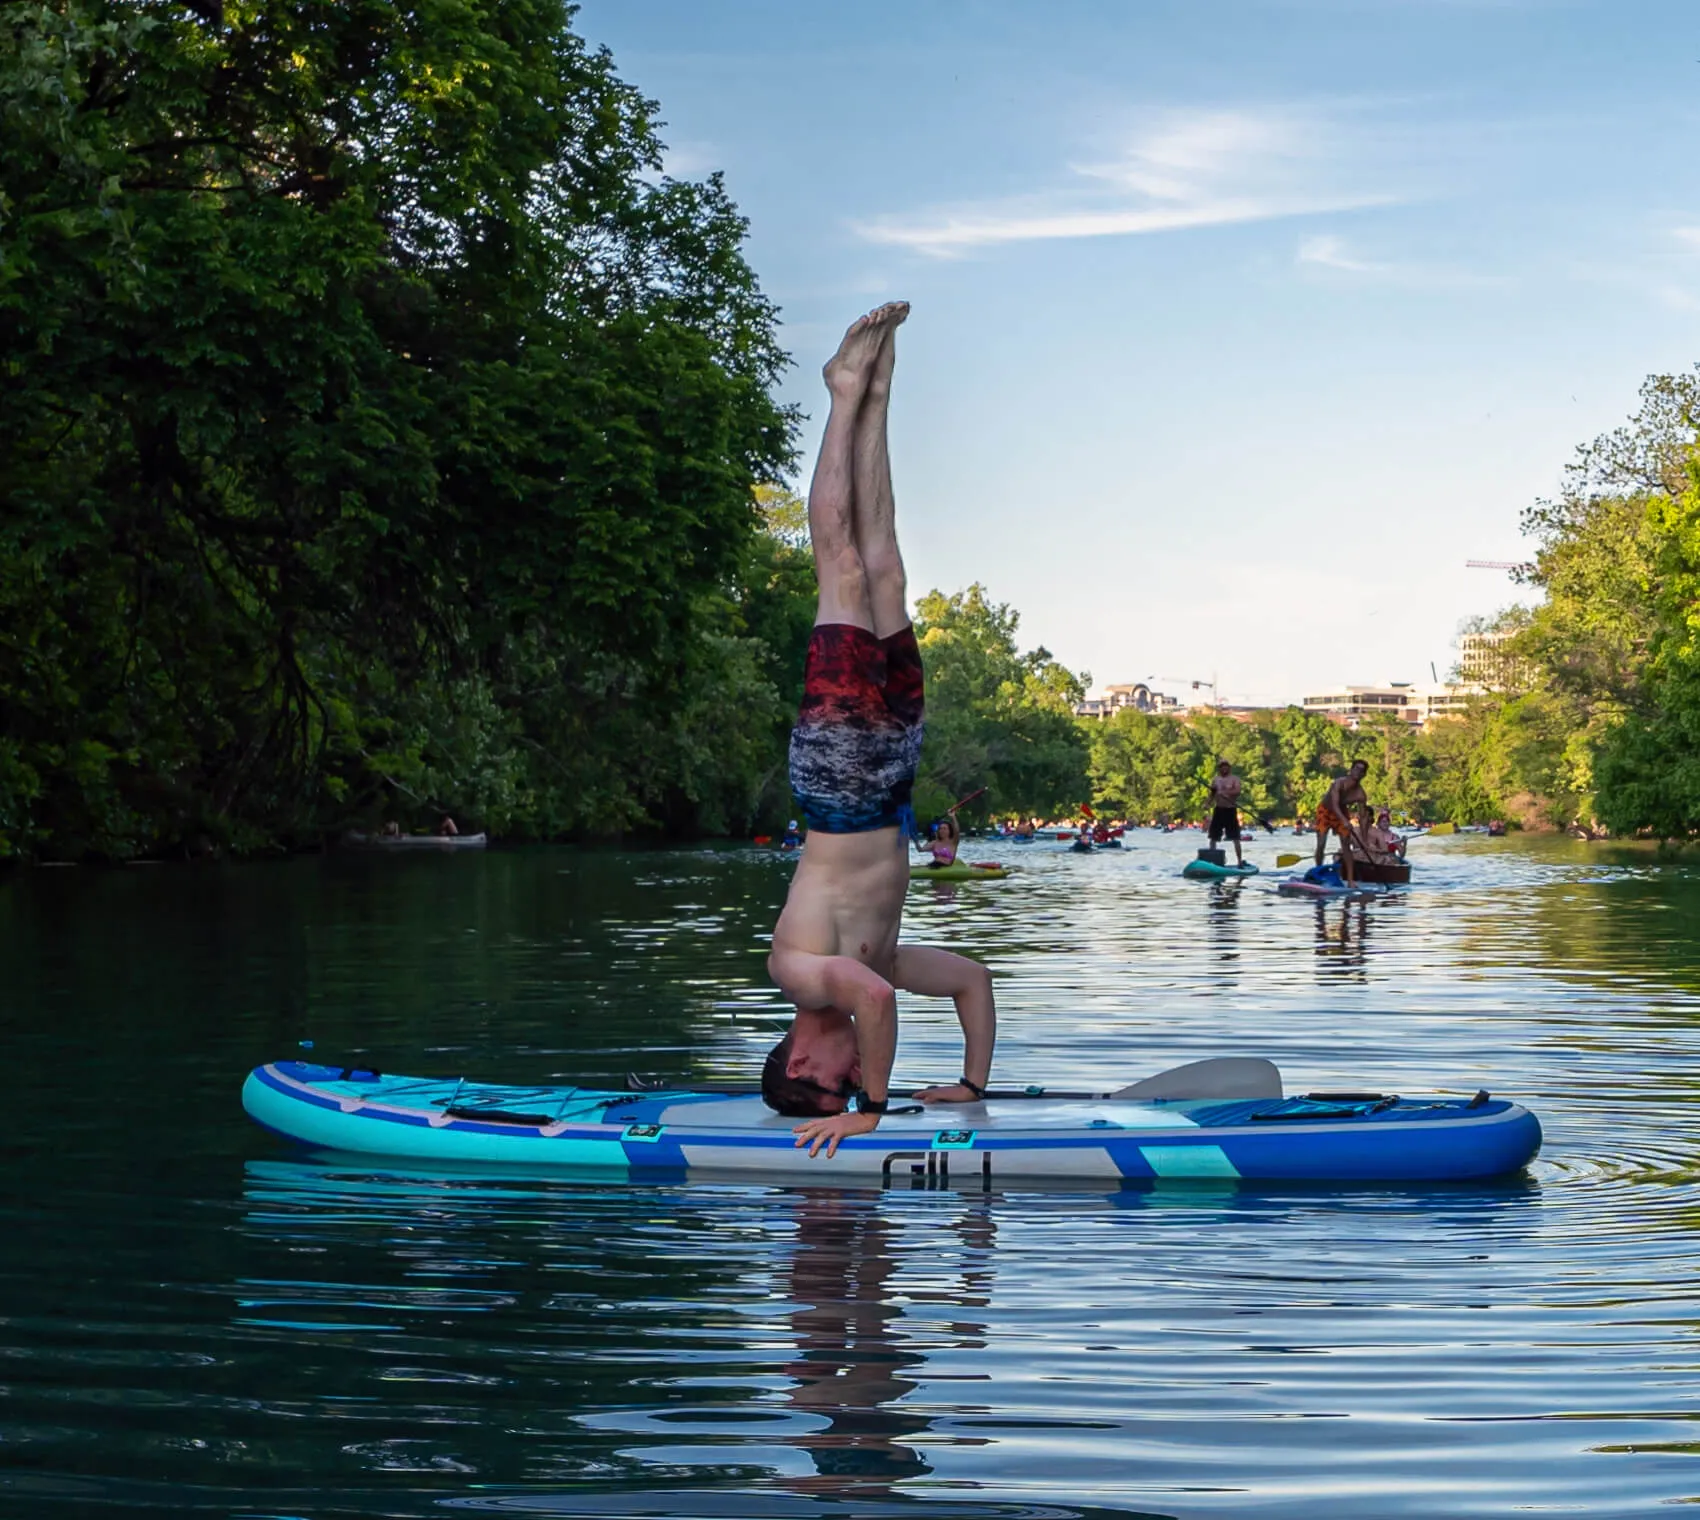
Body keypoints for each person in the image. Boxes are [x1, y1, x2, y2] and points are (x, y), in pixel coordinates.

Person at [764, 304, 996, 1159]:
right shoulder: (881, 965)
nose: (854, 1064)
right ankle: (879, 393)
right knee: (889, 563)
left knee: (845, 569)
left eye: (837, 1074)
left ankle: (841, 396)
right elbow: (972, 981)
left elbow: (874, 1004)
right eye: (852, 1078)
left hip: (836, 772)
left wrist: (869, 1108)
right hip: (892, 773)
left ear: (799, 1056)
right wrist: (973, 1083)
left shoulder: (799, 972)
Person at [1314, 760, 1371, 885]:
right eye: (1356, 769)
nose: (1358, 772)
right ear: (1351, 770)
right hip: (1326, 811)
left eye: (1361, 771)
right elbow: (1334, 804)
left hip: (1342, 812)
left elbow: (1363, 818)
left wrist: (1364, 840)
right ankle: (1318, 871)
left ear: (1364, 775)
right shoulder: (1338, 783)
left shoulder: (1360, 794)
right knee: (1321, 842)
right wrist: (1345, 821)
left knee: (1346, 844)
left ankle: (1350, 880)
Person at [1206, 759, 1244, 867]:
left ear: (1229, 768)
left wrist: (1225, 792)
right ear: (1219, 768)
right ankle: (1211, 861)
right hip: (1218, 810)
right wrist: (1208, 803)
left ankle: (1239, 861)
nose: (1224, 768)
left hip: (1230, 810)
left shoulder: (1234, 779)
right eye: (1222, 767)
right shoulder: (1215, 780)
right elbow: (1212, 794)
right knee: (1213, 836)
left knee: (1235, 837)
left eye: (1226, 766)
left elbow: (1237, 791)